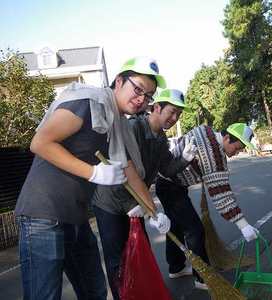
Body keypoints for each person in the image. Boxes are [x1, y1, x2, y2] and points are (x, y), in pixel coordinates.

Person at [14, 56, 170, 300]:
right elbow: (40, 143)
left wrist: (154, 213)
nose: (141, 99)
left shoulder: (117, 124)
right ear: (119, 81)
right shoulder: (89, 103)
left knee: (94, 290)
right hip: (42, 214)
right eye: (137, 89)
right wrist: (94, 172)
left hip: (76, 218)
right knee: (43, 295)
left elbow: (128, 170)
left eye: (148, 96)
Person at [92, 88, 197, 299]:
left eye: (178, 115)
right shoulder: (132, 128)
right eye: (172, 112)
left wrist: (184, 159)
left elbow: (166, 170)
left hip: (137, 202)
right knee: (118, 261)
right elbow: (120, 167)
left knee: (141, 254)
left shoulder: (160, 139)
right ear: (157, 107)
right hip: (110, 203)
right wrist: (133, 204)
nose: (174, 118)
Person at [155, 123, 259, 290]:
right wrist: (243, 225)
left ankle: (176, 268)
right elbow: (222, 195)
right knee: (195, 230)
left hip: (167, 184)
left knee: (175, 227)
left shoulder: (206, 131)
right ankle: (202, 278)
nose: (236, 153)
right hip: (170, 187)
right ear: (226, 138)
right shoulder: (214, 156)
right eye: (236, 148)